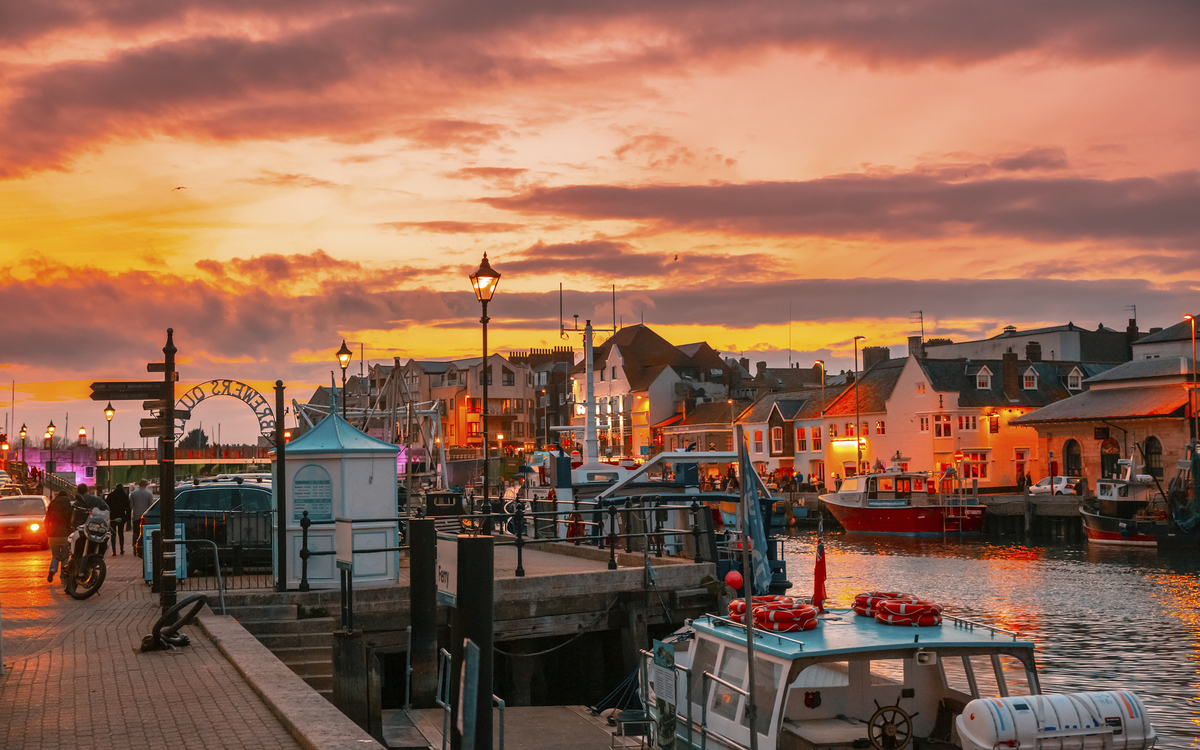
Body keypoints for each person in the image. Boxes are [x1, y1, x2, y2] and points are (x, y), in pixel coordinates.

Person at [71, 484, 110, 562]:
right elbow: (107, 509)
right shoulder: (97, 500)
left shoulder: (77, 502)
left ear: (78, 491)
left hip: (83, 527)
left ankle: (75, 559)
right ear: (87, 490)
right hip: (94, 527)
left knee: (78, 547)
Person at [44, 490, 75, 583]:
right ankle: (63, 577)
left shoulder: (52, 505)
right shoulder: (69, 506)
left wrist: (48, 532)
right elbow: (72, 520)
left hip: (53, 535)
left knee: (56, 555)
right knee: (65, 556)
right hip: (65, 534)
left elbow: (46, 520)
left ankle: (52, 570)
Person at [130, 479, 154, 556]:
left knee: (136, 533)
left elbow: (130, 506)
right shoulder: (149, 494)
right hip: (145, 517)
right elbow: (151, 506)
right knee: (145, 533)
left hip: (136, 516)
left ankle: (135, 548)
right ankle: (144, 548)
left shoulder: (133, 494)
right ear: (146, 485)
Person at [106, 484, 131, 555]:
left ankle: (114, 551)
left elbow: (107, 505)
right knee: (121, 533)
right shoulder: (124, 496)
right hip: (121, 516)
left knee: (113, 534)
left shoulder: (111, 495)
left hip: (113, 517)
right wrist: (127, 518)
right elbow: (128, 507)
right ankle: (121, 549)